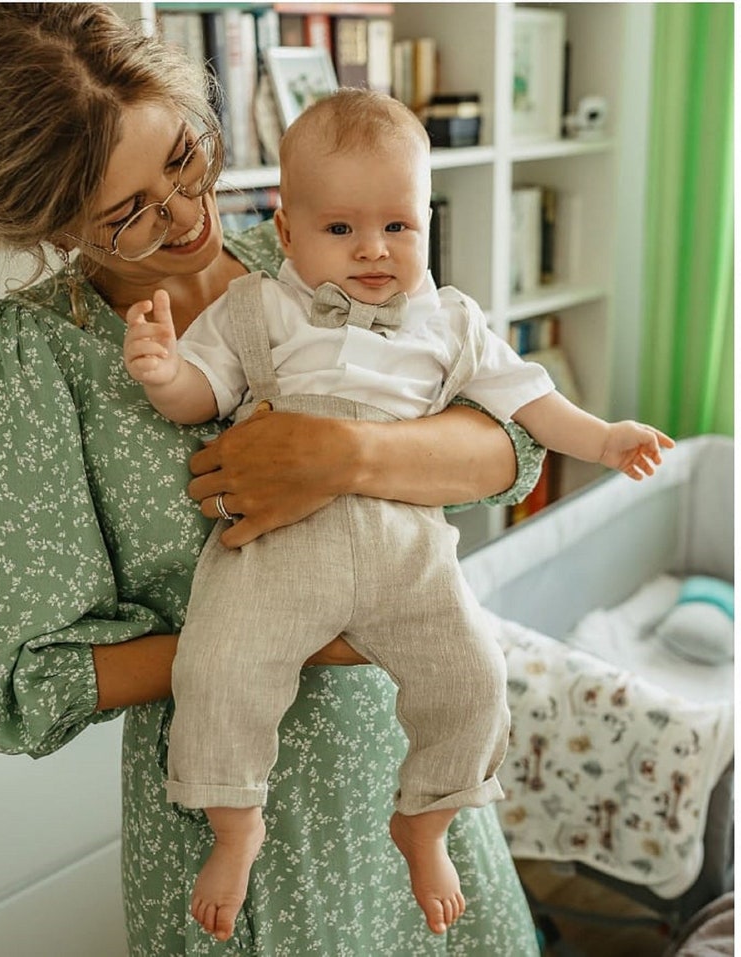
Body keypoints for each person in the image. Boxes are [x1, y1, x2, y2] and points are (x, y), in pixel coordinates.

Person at [0, 5, 548, 956]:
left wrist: (347, 458)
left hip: (407, 773)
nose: (187, 215)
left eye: (185, 158)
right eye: (128, 212)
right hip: (239, 823)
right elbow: (9, 687)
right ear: (48, 221)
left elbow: (513, 446)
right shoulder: (28, 363)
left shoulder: (317, 247)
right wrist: (306, 636)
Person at [122, 89, 674, 943]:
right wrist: (162, 371)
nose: (374, 250)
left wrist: (604, 438)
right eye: (341, 230)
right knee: (219, 665)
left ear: (425, 220)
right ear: (289, 227)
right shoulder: (257, 308)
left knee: (475, 676)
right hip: (278, 545)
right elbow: (201, 396)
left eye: (399, 226)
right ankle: (236, 829)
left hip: (406, 548)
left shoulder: (449, 322)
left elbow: (529, 403)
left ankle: (429, 819)